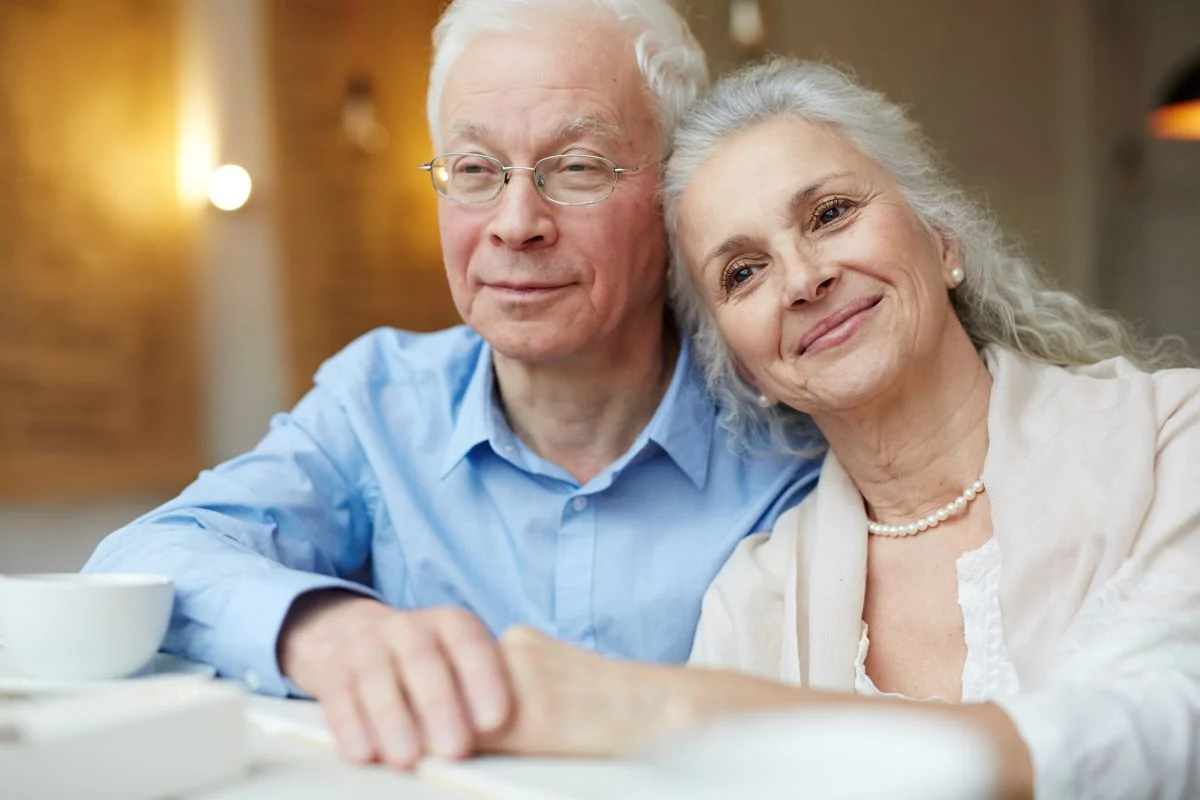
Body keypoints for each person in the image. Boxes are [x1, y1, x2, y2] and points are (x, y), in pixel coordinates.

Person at [82, 4, 821, 770]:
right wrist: (330, 632)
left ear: (675, 195)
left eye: (575, 166)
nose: (515, 223)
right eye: (474, 170)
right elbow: (143, 559)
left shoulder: (791, 422)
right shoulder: (378, 403)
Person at [476, 60, 1200, 799]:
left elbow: (1167, 726)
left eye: (829, 214)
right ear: (744, 366)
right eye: (743, 272)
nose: (801, 280)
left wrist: (696, 712)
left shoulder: (1173, 437)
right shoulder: (752, 598)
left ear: (942, 238)